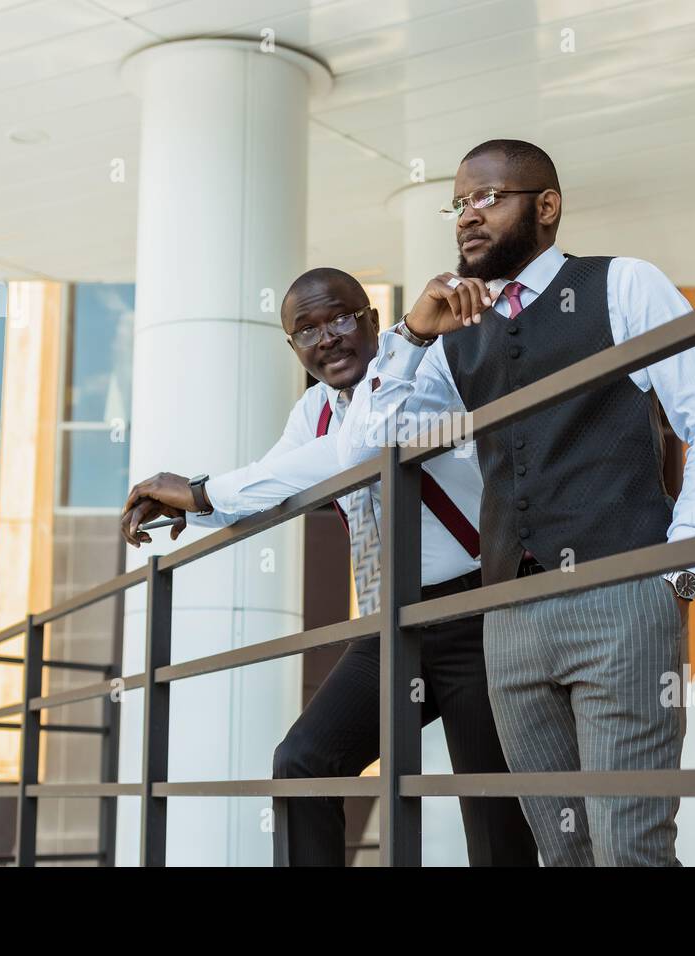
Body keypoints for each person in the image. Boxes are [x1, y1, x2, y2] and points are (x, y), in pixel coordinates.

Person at [337, 140, 695, 866]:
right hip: (511, 618)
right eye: (458, 203)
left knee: (631, 845)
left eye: (487, 197)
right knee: (560, 851)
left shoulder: (622, 285)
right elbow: (372, 444)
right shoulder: (457, 337)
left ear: (547, 207)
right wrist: (409, 333)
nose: (467, 216)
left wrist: (682, 573)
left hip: (620, 597)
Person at [121, 267, 537, 866]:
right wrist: (188, 505)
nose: (328, 339)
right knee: (302, 763)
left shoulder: (428, 368)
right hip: (389, 625)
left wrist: (204, 491)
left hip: (473, 611)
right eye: (307, 331)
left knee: (493, 816)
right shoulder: (314, 409)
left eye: (341, 319)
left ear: (371, 319)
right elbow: (279, 481)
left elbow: (356, 451)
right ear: (293, 347)